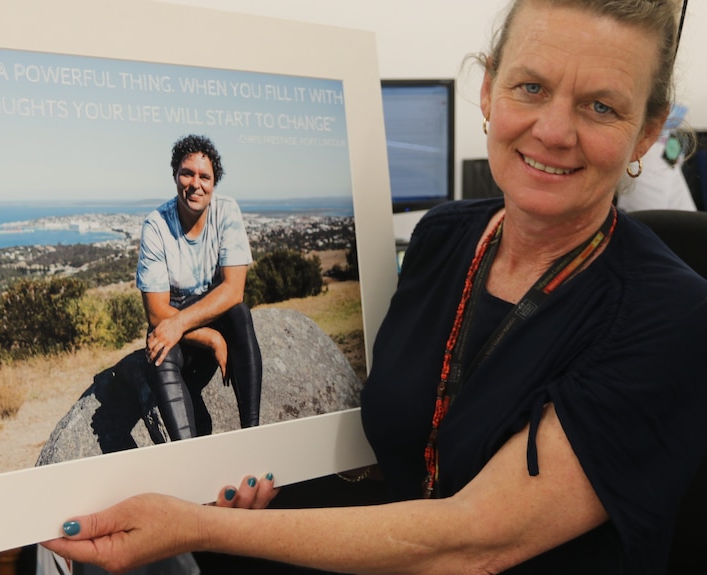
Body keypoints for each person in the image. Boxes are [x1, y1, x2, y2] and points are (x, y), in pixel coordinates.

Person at [43, 1, 707, 573]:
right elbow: (400, 457)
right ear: (488, 91)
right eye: (531, 88)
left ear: (648, 130)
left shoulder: (672, 314)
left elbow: (478, 542)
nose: (555, 131)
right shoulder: (445, 237)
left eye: (600, 105)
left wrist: (199, 525)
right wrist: (264, 474)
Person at [136, 134, 262, 440]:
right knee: (159, 349)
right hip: (182, 328)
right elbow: (156, 313)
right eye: (187, 173)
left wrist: (180, 322)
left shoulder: (226, 211)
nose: (195, 184)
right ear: (175, 176)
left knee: (240, 314)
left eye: (204, 176)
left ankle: (253, 434)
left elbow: (233, 291)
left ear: (214, 182)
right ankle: (188, 453)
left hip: (199, 316)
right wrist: (212, 339)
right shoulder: (156, 226)